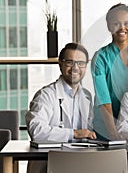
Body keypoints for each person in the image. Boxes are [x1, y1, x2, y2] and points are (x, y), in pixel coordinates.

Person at [25, 43, 96, 173]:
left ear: (86, 66)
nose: (75, 68)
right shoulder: (45, 95)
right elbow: (36, 131)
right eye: (70, 62)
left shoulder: (87, 96)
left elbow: (89, 130)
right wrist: (74, 133)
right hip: (49, 163)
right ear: (60, 64)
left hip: (80, 161)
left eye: (81, 63)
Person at [91, 3, 128, 140]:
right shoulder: (100, 57)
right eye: (116, 23)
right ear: (109, 26)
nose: (122, 28)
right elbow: (103, 99)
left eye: (126, 23)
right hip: (107, 125)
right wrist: (113, 132)